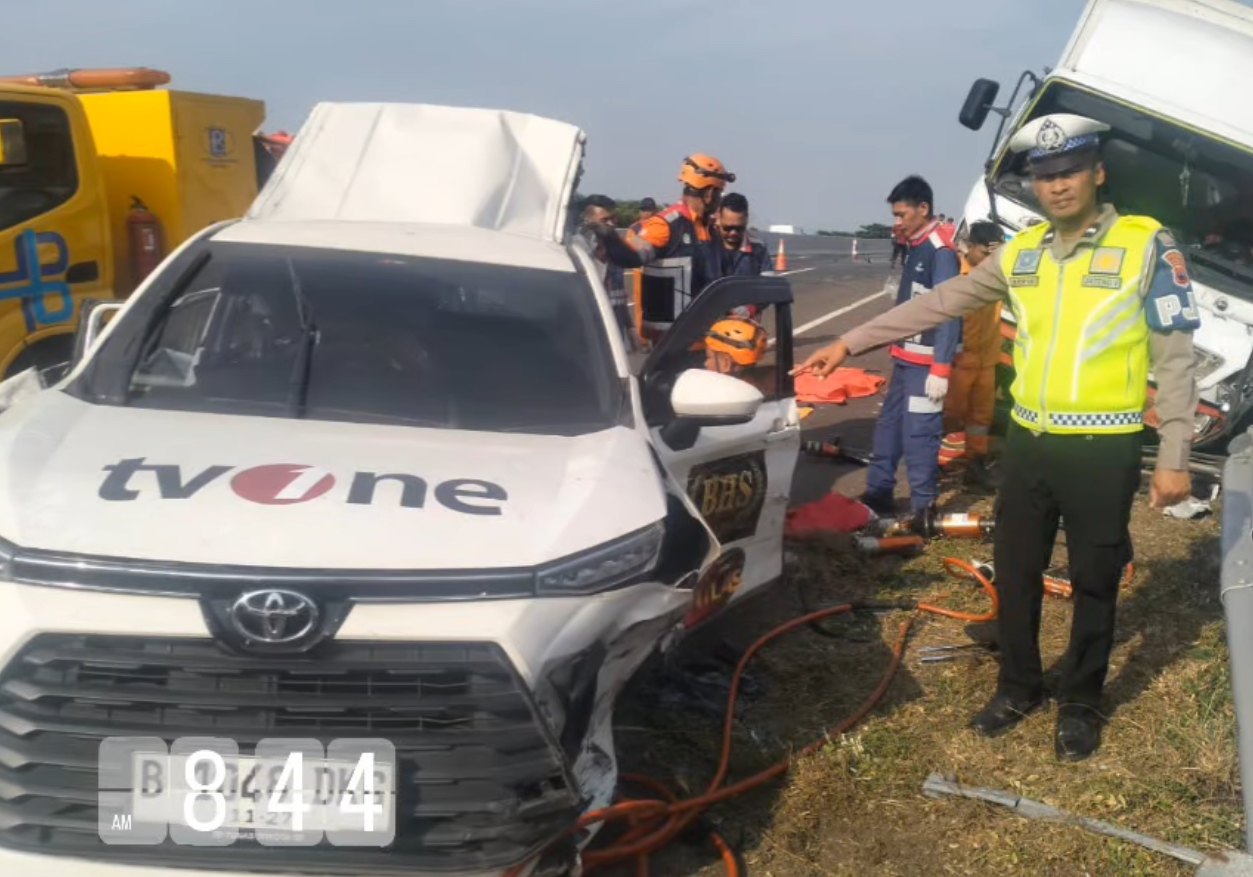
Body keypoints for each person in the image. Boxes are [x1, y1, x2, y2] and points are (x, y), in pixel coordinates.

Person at [792, 113, 1200, 761]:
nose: (1057, 186)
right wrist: (849, 340)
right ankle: (1018, 687)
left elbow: (1176, 358)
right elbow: (939, 302)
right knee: (1015, 573)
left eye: (1068, 172)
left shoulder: (1145, 245)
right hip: (1029, 446)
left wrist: (1174, 454)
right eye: (1044, 176)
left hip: (1104, 449)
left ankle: (1080, 701)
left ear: (1095, 173)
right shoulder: (1024, 252)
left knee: (1094, 580)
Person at [859, 175, 961, 518]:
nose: (897, 223)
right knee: (887, 430)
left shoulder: (940, 252)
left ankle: (922, 508)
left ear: (923, 209)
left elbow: (950, 311)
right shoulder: (916, 246)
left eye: (902, 215)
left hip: (925, 366)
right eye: (895, 215)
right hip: (904, 361)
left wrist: (941, 368)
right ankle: (878, 493)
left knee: (920, 437)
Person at [590, 154, 735, 341]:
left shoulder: (710, 230)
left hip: (704, 338)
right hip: (671, 344)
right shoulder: (665, 226)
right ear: (708, 194)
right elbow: (630, 256)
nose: (719, 200)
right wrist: (608, 235)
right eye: (718, 193)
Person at [937, 220, 1005, 486]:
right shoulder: (953, 274)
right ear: (971, 247)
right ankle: (935, 465)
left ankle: (974, 465)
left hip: (986, 361)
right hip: (959, 363)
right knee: (948, 416)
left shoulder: (998, 276)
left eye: (995, 255)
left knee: (981, 417)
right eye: (985, 254)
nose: (990, 260)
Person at [577, 194, 635, 349]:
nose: (611, 224)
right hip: (590, 332)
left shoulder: (615, 250)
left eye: (613, 218)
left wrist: (630, 329)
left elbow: (619, 295)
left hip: (616, 332)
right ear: (588, 222)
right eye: (605, 220)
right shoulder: (579, 252)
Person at [716, 193, 774, 277]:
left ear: (746, 220)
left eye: (739, 228)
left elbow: (769, 284)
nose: (733, 233)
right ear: (718, 218)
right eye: (728, 228)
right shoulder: (706, 247)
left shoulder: (758, 249)